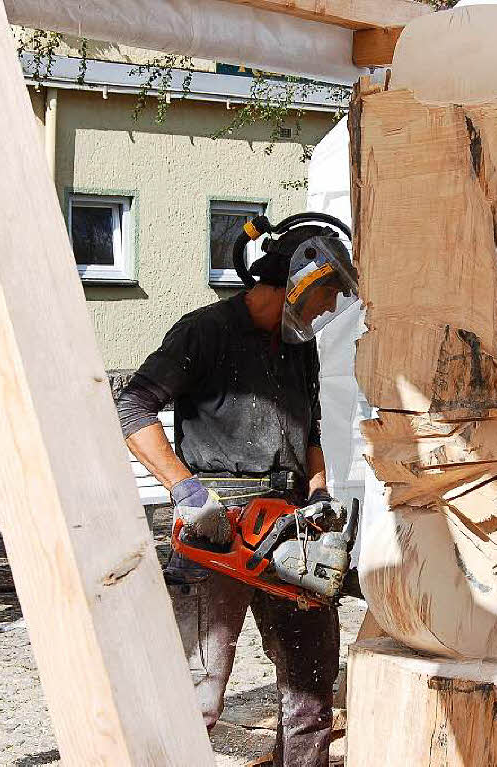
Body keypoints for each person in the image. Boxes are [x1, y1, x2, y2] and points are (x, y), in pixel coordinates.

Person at [117, 217, 357, 767]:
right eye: (326, 294)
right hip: (217, 526)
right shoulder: (205, 332)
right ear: (299, 278)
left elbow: (311, 429)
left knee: (312, 688)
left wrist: (319, 490)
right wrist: (184, 488)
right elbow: (133, 407)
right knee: (195, 692)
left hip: (291, 525)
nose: (326, 310)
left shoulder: (299, 347)